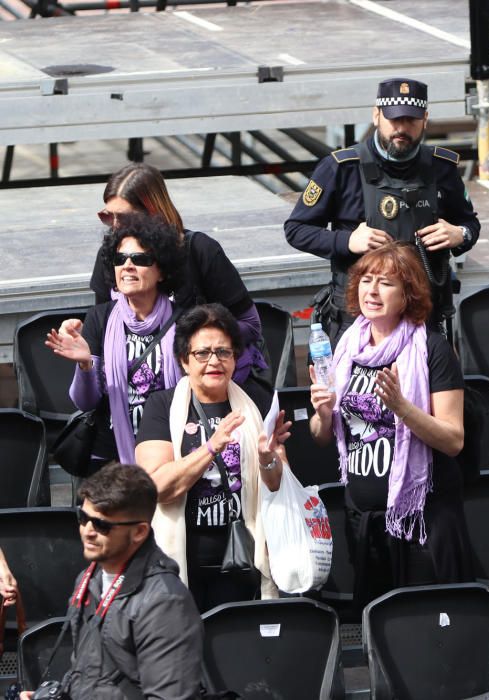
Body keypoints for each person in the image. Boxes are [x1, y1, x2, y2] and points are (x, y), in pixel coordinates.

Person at [309, 241, 473, 604]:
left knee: (423, 631)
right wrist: (322, 414)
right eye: (367, 279)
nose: (372, 289)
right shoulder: (347, 347)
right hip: (364, 522)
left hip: (421, 521)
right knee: (377, 631)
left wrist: (403, 407)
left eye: (386, 283)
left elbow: (453, 440)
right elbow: (323, 437)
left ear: (408, 294)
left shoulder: (432, 350)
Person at [284, 77, 481, 344]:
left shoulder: (441, 167)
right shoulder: (341, 168)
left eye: (410, 120)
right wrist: (347, 241)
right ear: (376, 116)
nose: (401, 128)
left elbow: (470, 224)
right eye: (394, 120)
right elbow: (296, 230)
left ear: (425, 118)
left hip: (424, 315)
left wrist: (460, 234)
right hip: (359, 318)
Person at [136, 304, 291, 612]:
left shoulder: (257, 403)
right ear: (184, 360)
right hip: (181, 559)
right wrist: (210, 448)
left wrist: (266, 460)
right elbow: (157, 487)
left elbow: (278, 486)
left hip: (244, 557)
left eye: (224, 352)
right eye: (202, 353)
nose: (214, 362)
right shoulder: (161, 407)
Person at [89, 161, 272, 413]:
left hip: (205, 396)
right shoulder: (113, 255)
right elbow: (103, 327)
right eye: (108, 216)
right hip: (134, 400)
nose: (115, 226)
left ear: (152, 211)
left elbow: (251, 325)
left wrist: (198, 335)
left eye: (124, 217)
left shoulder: (199, 250)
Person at [20, 462, 203, 700]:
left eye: (102, 525)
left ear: (139, 532)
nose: (87, 530)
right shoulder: (89, 579)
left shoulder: (165, 604)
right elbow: (90, 674)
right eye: (83, 517)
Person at [46, 214, 183, 472]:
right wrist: (85, 365)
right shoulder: (101, 317)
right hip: (109, 457)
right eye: (120, 259)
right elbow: (85, 402)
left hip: (169, 452)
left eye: (140, 259)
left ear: (162, 270)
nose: (128, 266)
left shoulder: (185, 320)